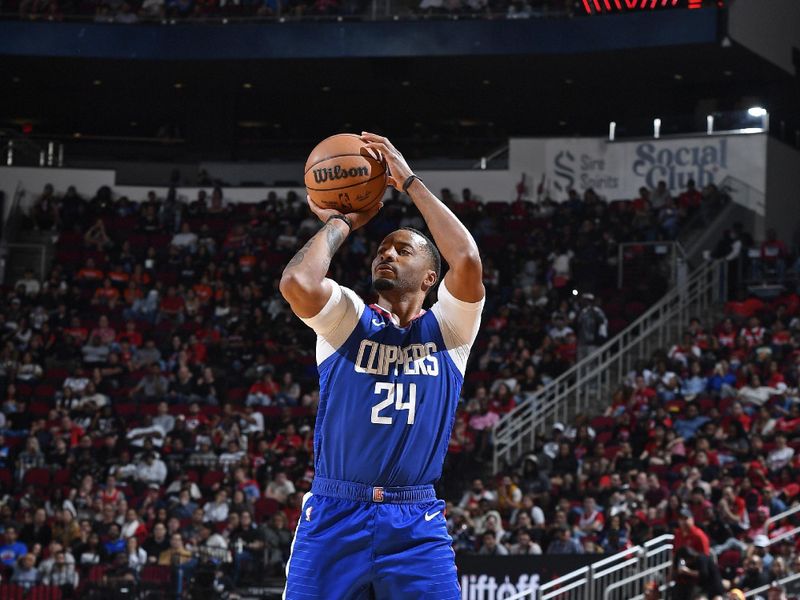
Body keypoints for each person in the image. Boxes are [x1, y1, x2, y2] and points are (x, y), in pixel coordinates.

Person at [279, 132, 484, 600]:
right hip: (335, 510)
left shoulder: (451, 330)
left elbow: (467, 258)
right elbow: (297, 282)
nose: (386, 253)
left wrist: (408, 181)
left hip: (415, 522)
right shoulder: (350, 317)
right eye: (381, 249)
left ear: (431, 277)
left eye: (402, 249)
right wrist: (339, 223)